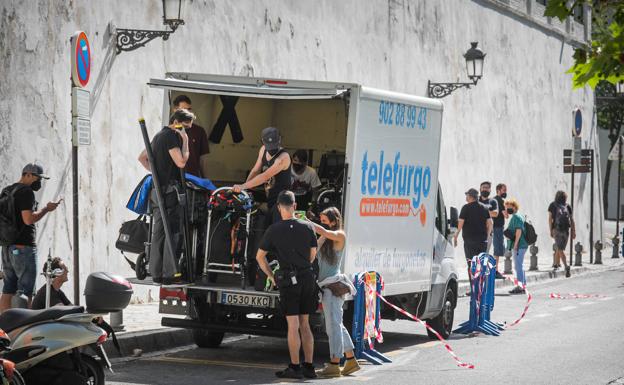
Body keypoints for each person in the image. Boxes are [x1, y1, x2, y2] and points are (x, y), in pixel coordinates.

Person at [255, 191, 318, 379]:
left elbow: (260, 257)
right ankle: (309, 366)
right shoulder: (308, 227)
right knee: (305, 324)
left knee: (293, 325)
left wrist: (272, 276)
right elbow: (312, 255)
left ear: (279, 208)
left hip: (288, 280)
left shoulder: (274, 229)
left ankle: (295, 367)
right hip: (307, 278)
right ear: (295, 206)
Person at [138, 109, 193, 284]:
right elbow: (181, 161)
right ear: (176, 122)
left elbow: (142, 158)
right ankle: (169, 274)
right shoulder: (171, 137)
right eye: (185, 127)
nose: (186, 131)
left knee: (159, 233)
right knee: (172, 232)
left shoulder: (157, 135)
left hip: (157, 190)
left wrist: (156, 175)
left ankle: (156, 273)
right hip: (169, 192)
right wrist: (185, 141)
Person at [306, 207, 359, 377]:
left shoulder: (340, 235)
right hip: (326, 287)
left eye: (324, 220)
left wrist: (305, 221)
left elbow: (322, 230)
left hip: (333, 287)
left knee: (333, 327)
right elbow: (311, 257)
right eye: (320, 220)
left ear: (334, 221)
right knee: (337, 325)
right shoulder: (325, 238)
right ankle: (350, 360)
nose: (321, 224)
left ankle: (335, 363)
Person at [0, 164, 59, 312]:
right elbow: (28, 219)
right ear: (28, 175)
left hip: (7, 246)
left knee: (8, 289)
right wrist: (47, 208)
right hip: (23, 247)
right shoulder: (26, 192)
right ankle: (24, 327)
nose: (39, 182)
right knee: (26, 291)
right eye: (38, 178)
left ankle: (4, 329)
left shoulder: (7, 190)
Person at [233, 127, 292, 225]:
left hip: (282, 202)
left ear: (280, 140)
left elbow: (264, 176)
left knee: (276, 232)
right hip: (270, 198)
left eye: (274, 145)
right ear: (263, 142)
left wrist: (243, 186)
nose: (271, 149)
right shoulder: (263, 150)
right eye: (269, 145)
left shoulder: (283, 157)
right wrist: (245, 189)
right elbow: (255, 170)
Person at [453, 188, 492, 282]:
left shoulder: (465, 208)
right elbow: (490, 224)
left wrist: (455, 236)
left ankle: (474, 289)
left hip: (470, 242)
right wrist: (486, 236)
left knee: (471, 265)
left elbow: (460, 224)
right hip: (482, 242)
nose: (466, 197)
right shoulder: (485, 207)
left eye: (467, 195)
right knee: (481, 264)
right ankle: (481, 287)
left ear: (470, 196)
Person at [172, 95, 210, 178]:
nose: (187, 113)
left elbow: (203, 159)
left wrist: (205, 180)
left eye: (189, 109)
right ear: (175, 111)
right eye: (183, 110)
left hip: (193, 179)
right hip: (174, 180)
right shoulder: (168, 132)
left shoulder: (199, 131)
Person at [504, 199, 528, 294]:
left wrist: (516, 244)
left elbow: (518, 231)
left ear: (514, 206)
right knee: (519, 265)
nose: (507, 209)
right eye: (506, 207)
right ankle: (523, 285)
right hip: (521, 244)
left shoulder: (516, 217)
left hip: (519, 245)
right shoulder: (519, 215)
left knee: (518, 266)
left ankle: (520, 287)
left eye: (508, 207)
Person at [548, 190, 573, 277]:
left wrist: (551, 230)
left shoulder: (553, 205)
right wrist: (574, 231)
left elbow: (550, 219)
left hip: (557, 229)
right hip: (566, 230)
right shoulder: (568, 206)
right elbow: (571, 219)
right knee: (560, 248)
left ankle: (566, 267)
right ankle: (555, 263)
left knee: (560, 249)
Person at [492, 183, 509, 279]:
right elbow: (506, 215)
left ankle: (495, 270)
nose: (505, 192)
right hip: (498, 227)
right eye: (504, 190)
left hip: (495, 227)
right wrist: (506, 208)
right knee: (497, 250)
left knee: (498, 249)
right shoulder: (500, 200)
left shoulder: (493, 199)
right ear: (498, 190)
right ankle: (495, 271)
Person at [478, 181, 499, 254]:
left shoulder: (493, 201)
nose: (485, 189)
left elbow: (495, 213)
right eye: (483, 187)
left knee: (484, 254)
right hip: (475, 231)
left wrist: (482, 211)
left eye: (487, 188)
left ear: (490, 190)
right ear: (480, 189)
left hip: (488, 232)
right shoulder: (476, 200)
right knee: (473, 254)